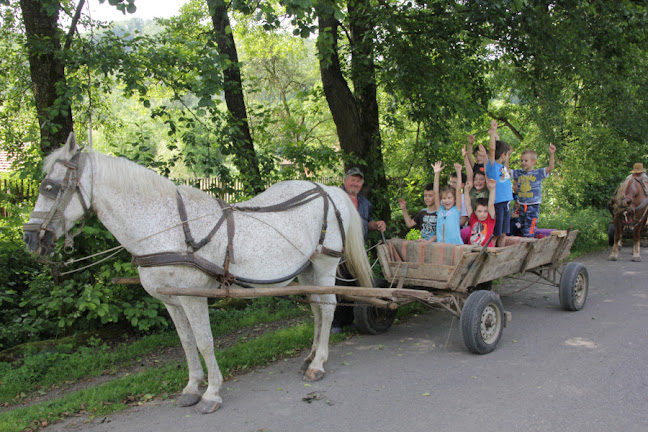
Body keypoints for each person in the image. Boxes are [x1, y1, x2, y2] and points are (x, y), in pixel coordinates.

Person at [332, 167, 386, 334]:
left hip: (358, 252)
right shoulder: (335, 198)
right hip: (338, 251)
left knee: (356, 285)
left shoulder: (365, 203)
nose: (355, 183)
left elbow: (367, 223)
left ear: (362, 184)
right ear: (345, 180)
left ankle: (350, 321)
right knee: (339, 287)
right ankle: (336, 324)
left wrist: (377, 224)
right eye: (352, 179)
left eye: (358, 181)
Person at [510, 143, 556, 237]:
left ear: (533, 161)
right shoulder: (519, 173)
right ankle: (526, 243)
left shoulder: (538, 172)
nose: (523, 162)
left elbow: (550, 167)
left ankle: (529, 243)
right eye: (521, 160)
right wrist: (508, 155)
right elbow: (505, 170)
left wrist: (552, 154)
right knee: (523, 227)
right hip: (522, 205)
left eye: (526, 160)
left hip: (533, 205)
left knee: (530, 228)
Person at [484, 120, 513, 247]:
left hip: (506, 203)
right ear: (503, 155)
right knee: (496, 233)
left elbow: (498, 146)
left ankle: (501, 254)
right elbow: (492, 150)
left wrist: (497, 137)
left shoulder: (502, 167)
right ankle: (493, 253)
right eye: (507, 154)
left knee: (503, 233)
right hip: (498, 204)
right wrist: (493, 133)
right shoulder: (492, 167)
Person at [432, 161, 464, 245]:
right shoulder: (440, 210)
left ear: (454, 200)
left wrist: (458, 172)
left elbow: (458, 190)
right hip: (441, 246)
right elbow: (435, 192)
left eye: (449, 198)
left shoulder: (456, 209)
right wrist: (437, 173)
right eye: (444, 198)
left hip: (456, 245)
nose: (447, 201)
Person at [464, 178, 497, 246]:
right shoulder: (473, 218)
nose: (482, 214)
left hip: (487, 252)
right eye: (479, 211)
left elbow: (491, 204)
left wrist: (492, 189)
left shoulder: (490, 219)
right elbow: (468, 204)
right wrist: (466, 190)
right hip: (473, 251)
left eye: (485, 211)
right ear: (475, 212)